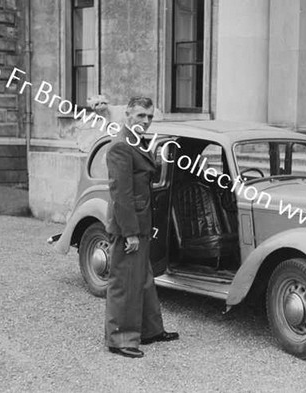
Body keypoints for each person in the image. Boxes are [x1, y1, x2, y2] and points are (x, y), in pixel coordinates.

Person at [104, 96, 178, 358]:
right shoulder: (121, 146)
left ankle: (150, 331)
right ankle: (120, 339)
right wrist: (131, 233)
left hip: (141, 223)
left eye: (149, 117)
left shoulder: (136, 142)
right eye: (140, 116)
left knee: (144, 279)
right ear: (127, 115)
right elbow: (120, 194)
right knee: (125, 282)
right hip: (129, 227)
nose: (145, 122)